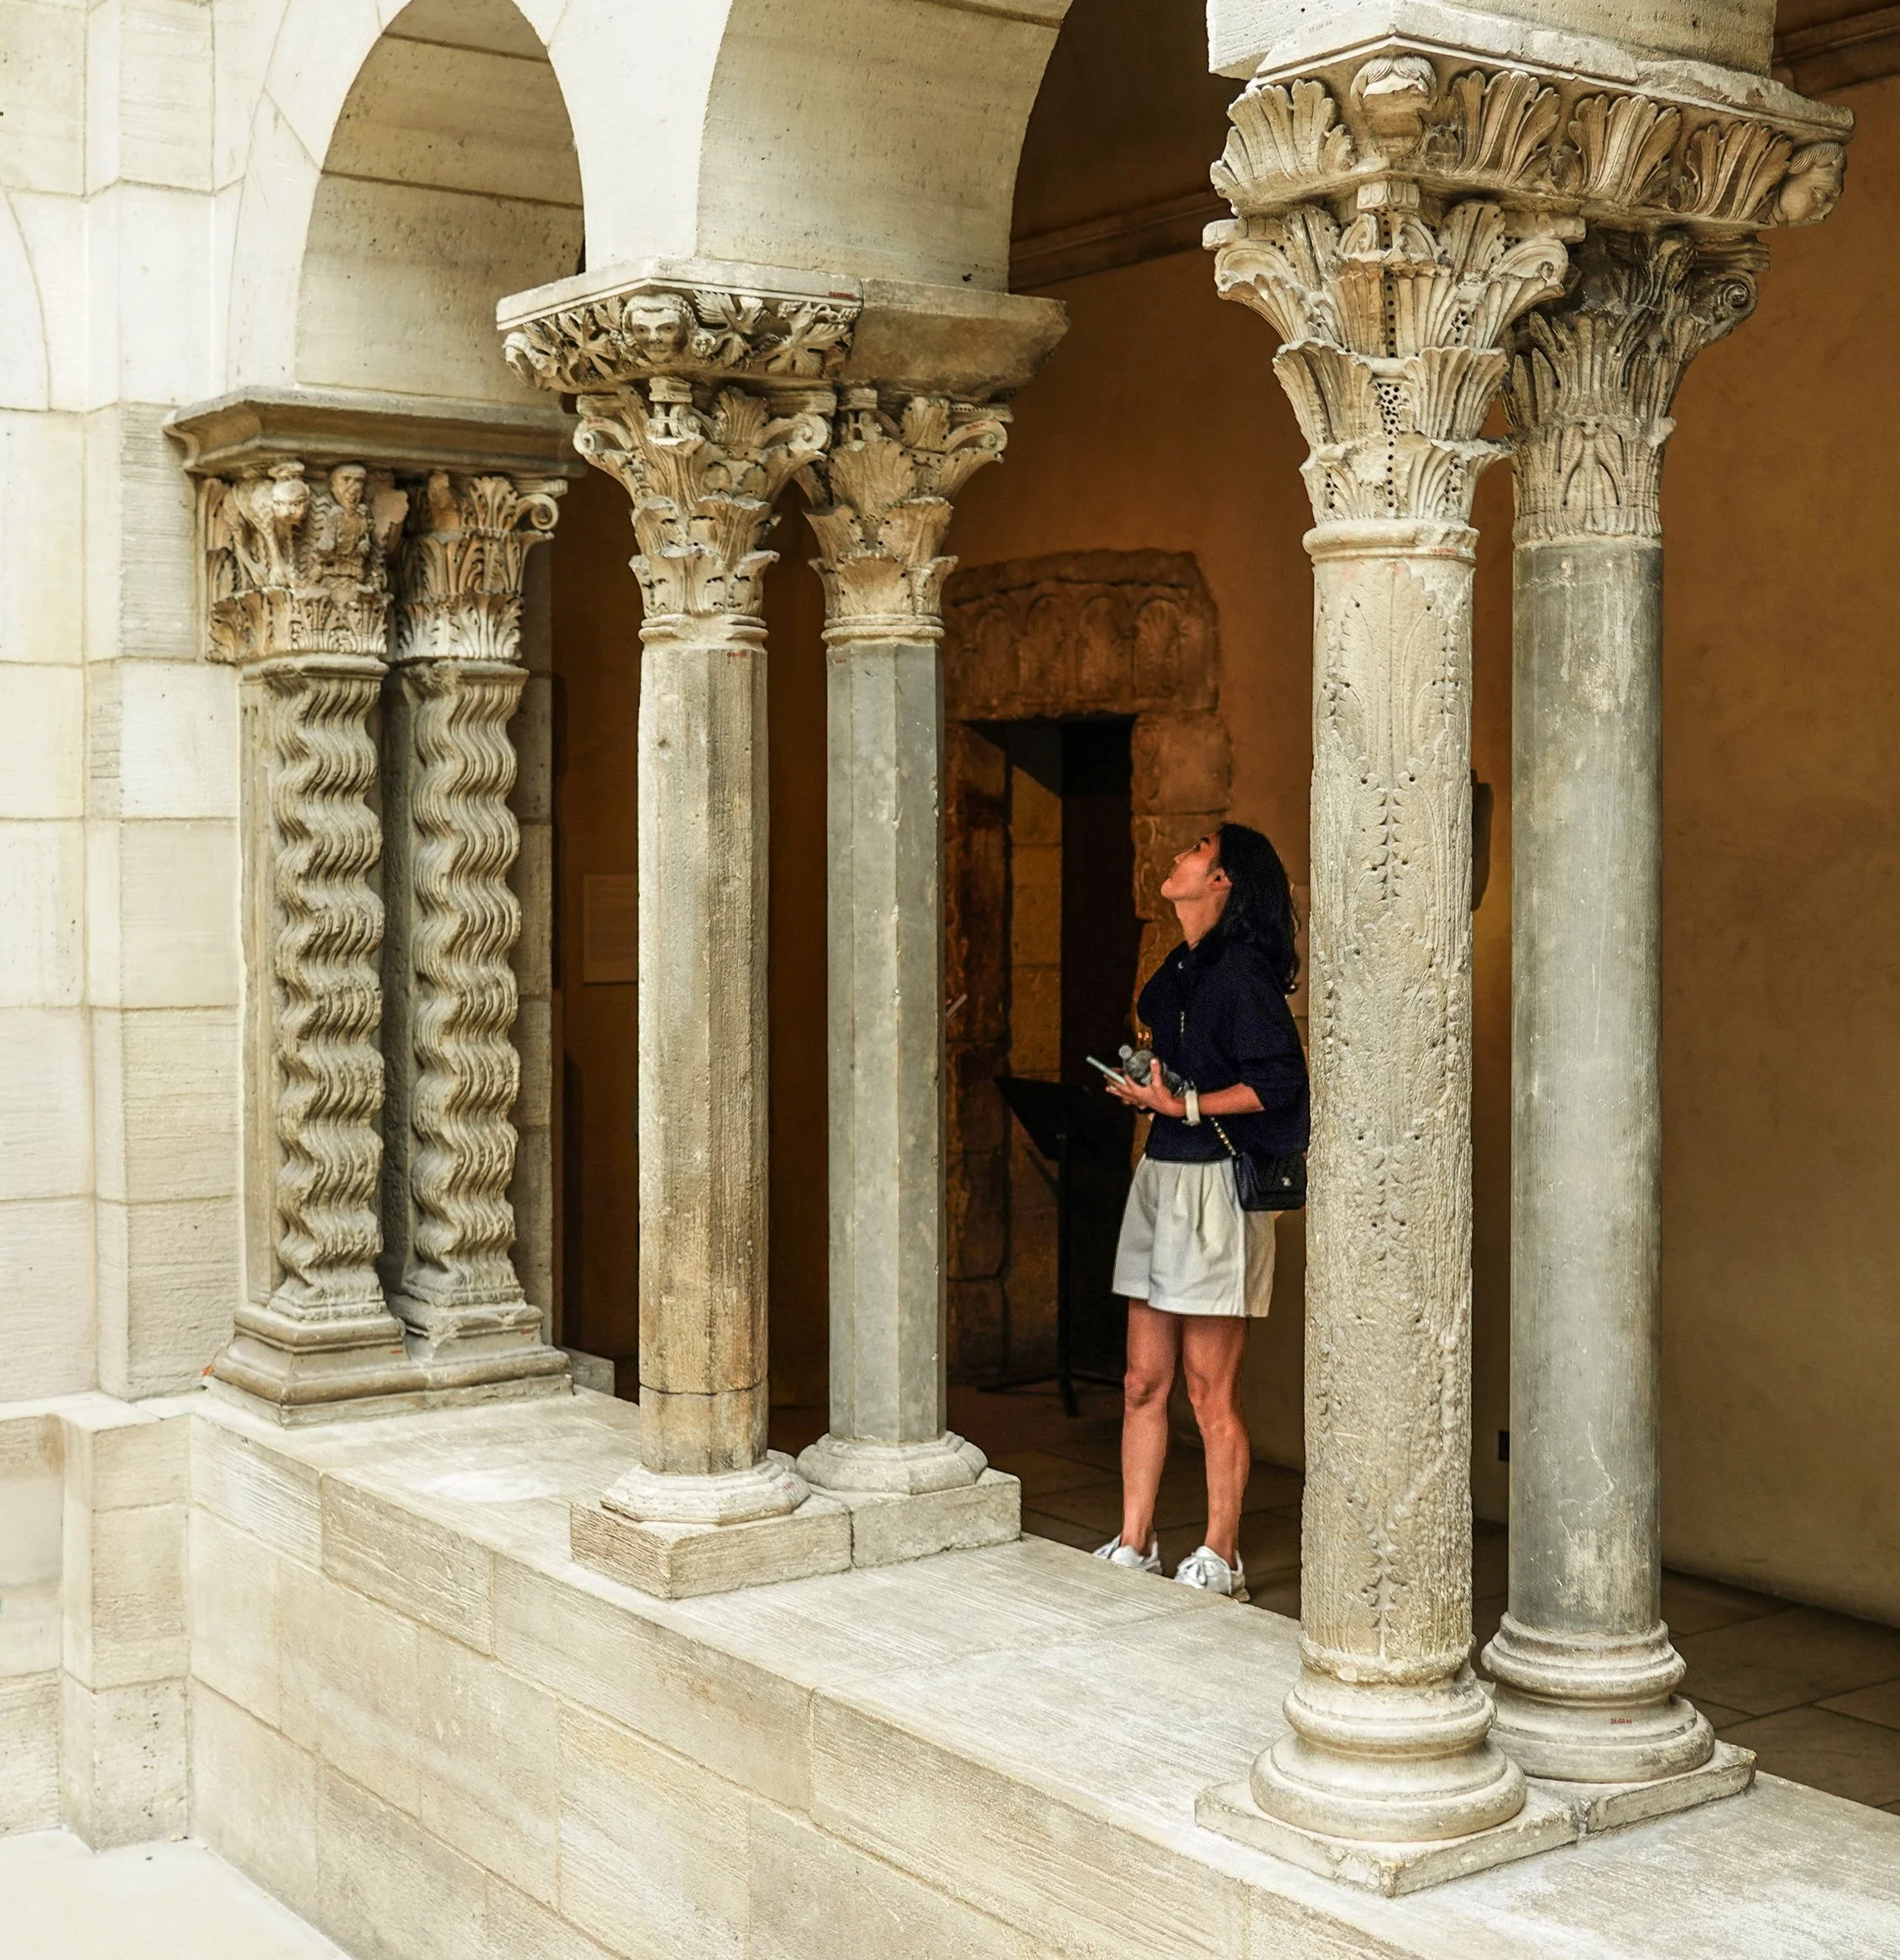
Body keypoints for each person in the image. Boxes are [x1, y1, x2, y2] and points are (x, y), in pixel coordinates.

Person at [1094, 822, 1309, 1602]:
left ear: (1220, 881)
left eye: (1196, 848)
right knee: (1141, 1379)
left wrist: (1180, 1103)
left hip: (1218, 1184)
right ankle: (1134, 1541)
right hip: (1161, 1175)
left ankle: (1222, 1557)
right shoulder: (1181, 968)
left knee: (1206, 1386)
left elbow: (1279, 1083)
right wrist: (1150, 1088)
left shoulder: (1242, 973)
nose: (1180, 855)